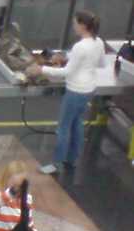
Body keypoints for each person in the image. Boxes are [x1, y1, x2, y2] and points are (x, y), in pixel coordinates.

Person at [30, 10, 108, 178]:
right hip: (89, 89)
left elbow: (66, 72)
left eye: (75, 24)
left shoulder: (80, 47)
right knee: (77, 123)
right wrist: (72, 59)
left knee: (64, 127)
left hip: (75, 90)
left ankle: (56, 163)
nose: (73, 27)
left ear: (83, 25)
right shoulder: (98, 42)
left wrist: (41, 69)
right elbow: (101, 64)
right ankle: (72, 159)